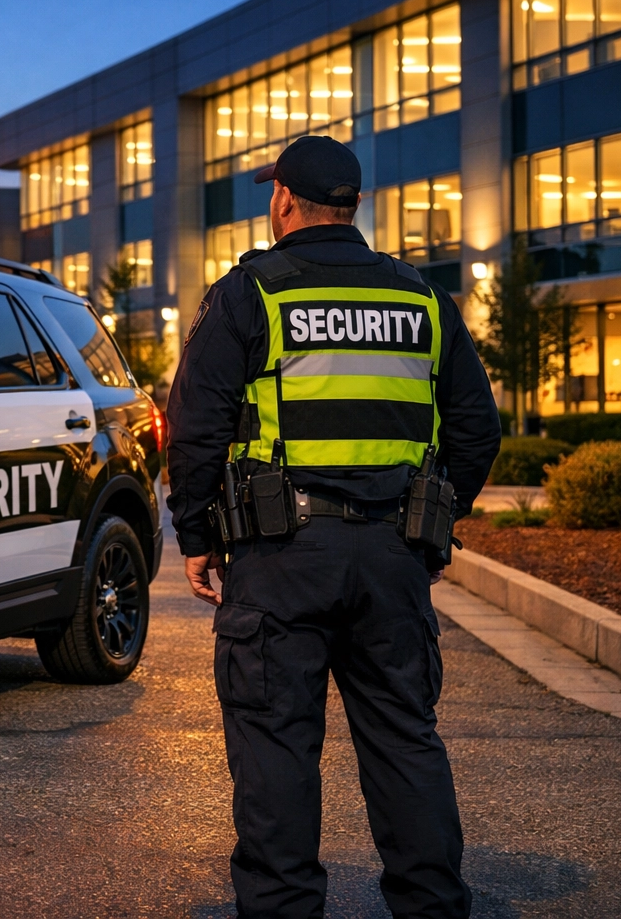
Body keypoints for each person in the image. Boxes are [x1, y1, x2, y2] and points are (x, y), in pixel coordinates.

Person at [166, 135, 501, 919]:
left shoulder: (252, 293)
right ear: (352, 206)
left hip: (280, 558)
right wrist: (433, 525)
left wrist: (196, 535)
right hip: (392, 558)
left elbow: (194, 424)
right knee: (404, 743)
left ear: (283, 199)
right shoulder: (419, 298)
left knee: (277, 748)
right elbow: (476, 428)